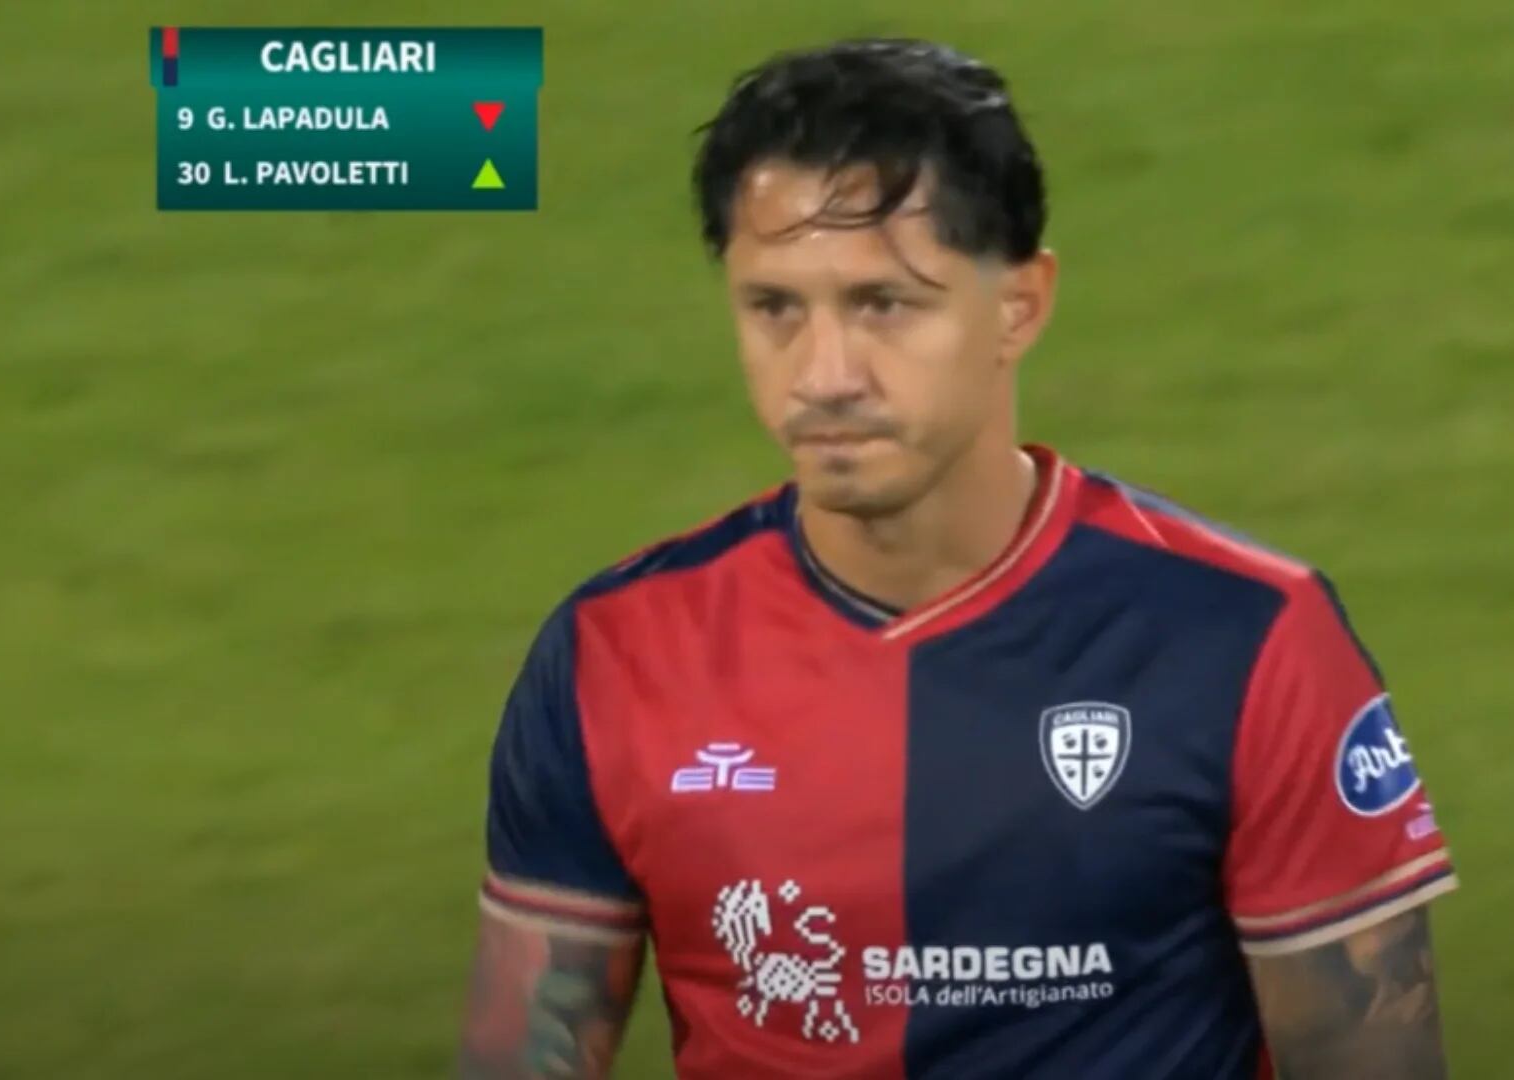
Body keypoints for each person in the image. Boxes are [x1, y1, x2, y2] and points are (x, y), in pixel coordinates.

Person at [458, 36, 1456, 1080]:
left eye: (884, 304)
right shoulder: (614, 654)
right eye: (775, 309)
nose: (825, 375)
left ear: (1019, 306)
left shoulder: (1249, 641)